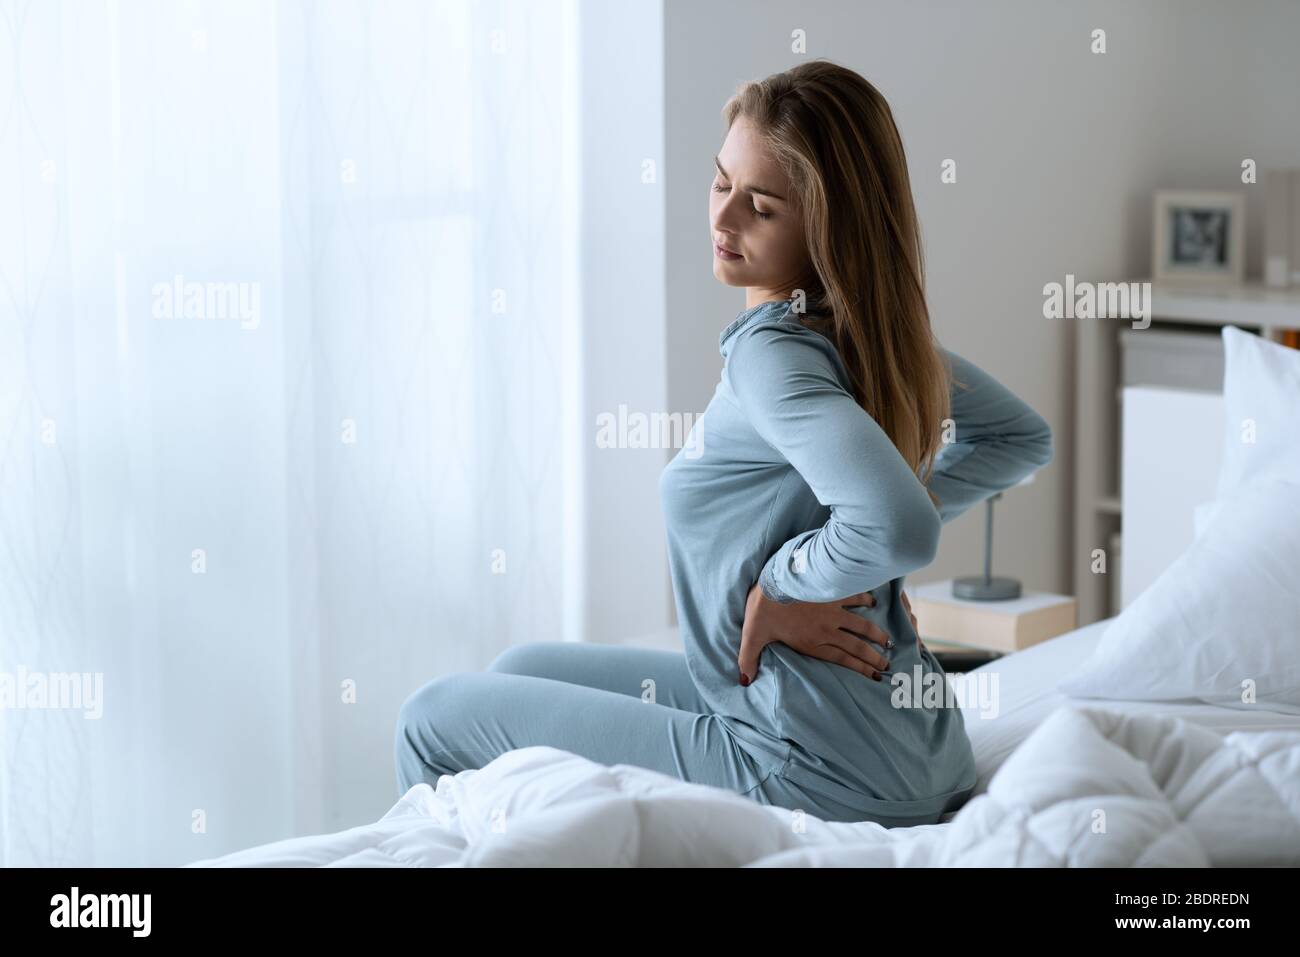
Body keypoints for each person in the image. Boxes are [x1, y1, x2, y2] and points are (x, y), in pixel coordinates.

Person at [394, 58, 1053, 826]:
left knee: (430, 715)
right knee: (519, 670)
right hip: (919, 754)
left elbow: (902, 523)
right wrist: (852, 554)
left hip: (812, 762)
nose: (724, 219)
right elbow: (1017, 440)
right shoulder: (865, 335)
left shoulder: (770, 353)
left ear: (826, 223)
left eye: (762, 207)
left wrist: (790, 580)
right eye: (721, 184)